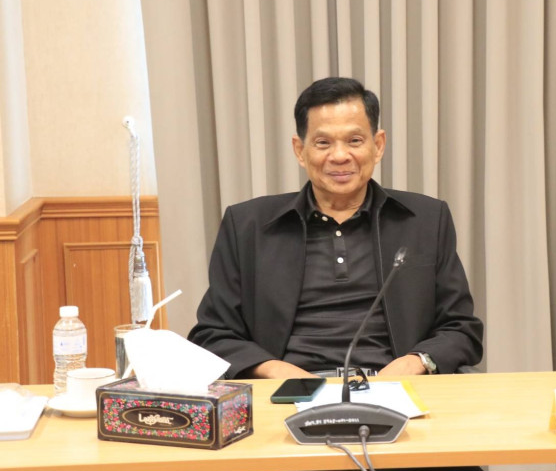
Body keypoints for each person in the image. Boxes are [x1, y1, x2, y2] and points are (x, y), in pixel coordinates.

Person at [189, 77, 483, 379]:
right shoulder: (247, 225)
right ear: (300, 150)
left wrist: (413, 363)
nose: (340, 156)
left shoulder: (425, 220)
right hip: (287, 390)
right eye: (323, 143)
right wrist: (277, 372)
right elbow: (213, 334)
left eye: (354, 141)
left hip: (394, 384)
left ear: (378, 145)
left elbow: (461, 328)